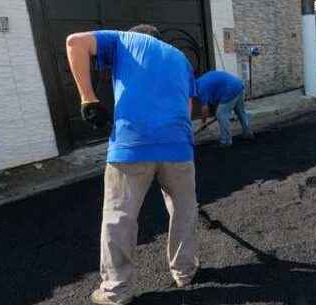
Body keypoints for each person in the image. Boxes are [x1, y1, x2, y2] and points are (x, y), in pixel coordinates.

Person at [66, 24, 200, 304]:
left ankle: (117, 290)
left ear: (139, 34)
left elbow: (74, 43)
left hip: (133, 143)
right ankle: (185, 272)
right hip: (178, 144)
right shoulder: (180, 57)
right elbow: (187, 108)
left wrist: (88, 100)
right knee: (184, 210)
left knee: (120, 218)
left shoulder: (123, 40)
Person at [197, 70, 253, 147]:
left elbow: (205, 108)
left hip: (230, 88)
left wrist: (203, 122)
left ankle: (226, 141)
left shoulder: (200, 89)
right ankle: (248, 133)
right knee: (240, 112)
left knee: (221, 114)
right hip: (238, 84)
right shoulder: (200, 81)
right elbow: (216, 96)